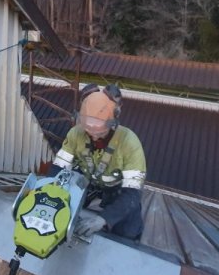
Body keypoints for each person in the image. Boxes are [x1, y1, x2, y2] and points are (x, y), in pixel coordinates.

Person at [48, 83, 146, 240]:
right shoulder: (76, 133)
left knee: (128, 231)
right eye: (88, 130)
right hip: (88, 182)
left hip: (119, 190)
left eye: (99, 132)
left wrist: (104, 219)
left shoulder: (129, 143)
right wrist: (50, 194)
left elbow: (133, 193)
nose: (93, 136)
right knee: (66, 212)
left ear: (113, 123)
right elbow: (58, 167)